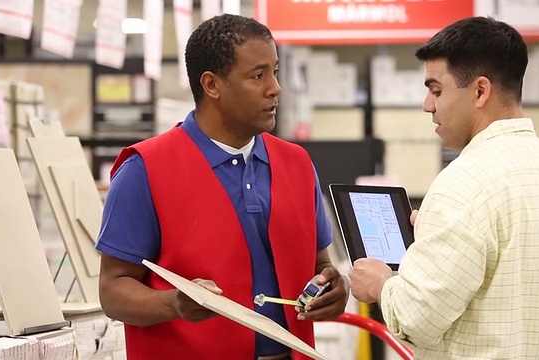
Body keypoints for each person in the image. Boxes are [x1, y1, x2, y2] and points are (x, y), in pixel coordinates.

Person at [349, 16, 539, 359]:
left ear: (481, 91)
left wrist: (381, 284)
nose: (428, 105)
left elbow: (417, 319)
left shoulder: (462, 185)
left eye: (436, 90)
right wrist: (434, 241)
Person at [96, 14, 349, 360]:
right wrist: (173, 302)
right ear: (212, 85)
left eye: (275, 72)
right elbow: (113, 290)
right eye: (258, 76)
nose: (275, 88)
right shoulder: (145, 170)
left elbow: (321, 263)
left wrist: (334, 285)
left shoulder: (297, 164)